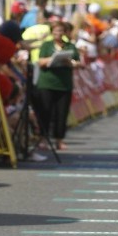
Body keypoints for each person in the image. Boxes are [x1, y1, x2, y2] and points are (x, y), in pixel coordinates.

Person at [34, 20, 80, 151]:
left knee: (62, 113)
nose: (58, 33)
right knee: (45, 112)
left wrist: (70, 62)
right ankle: (43, 138)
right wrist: (52, 59)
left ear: (64, 32)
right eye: (55, 31)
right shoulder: (46, 45)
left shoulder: (70, 46)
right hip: (47, 83)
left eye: (60, 31)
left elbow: (78, 62)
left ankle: (59, 139)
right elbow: (40, 61)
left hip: (64, 84)